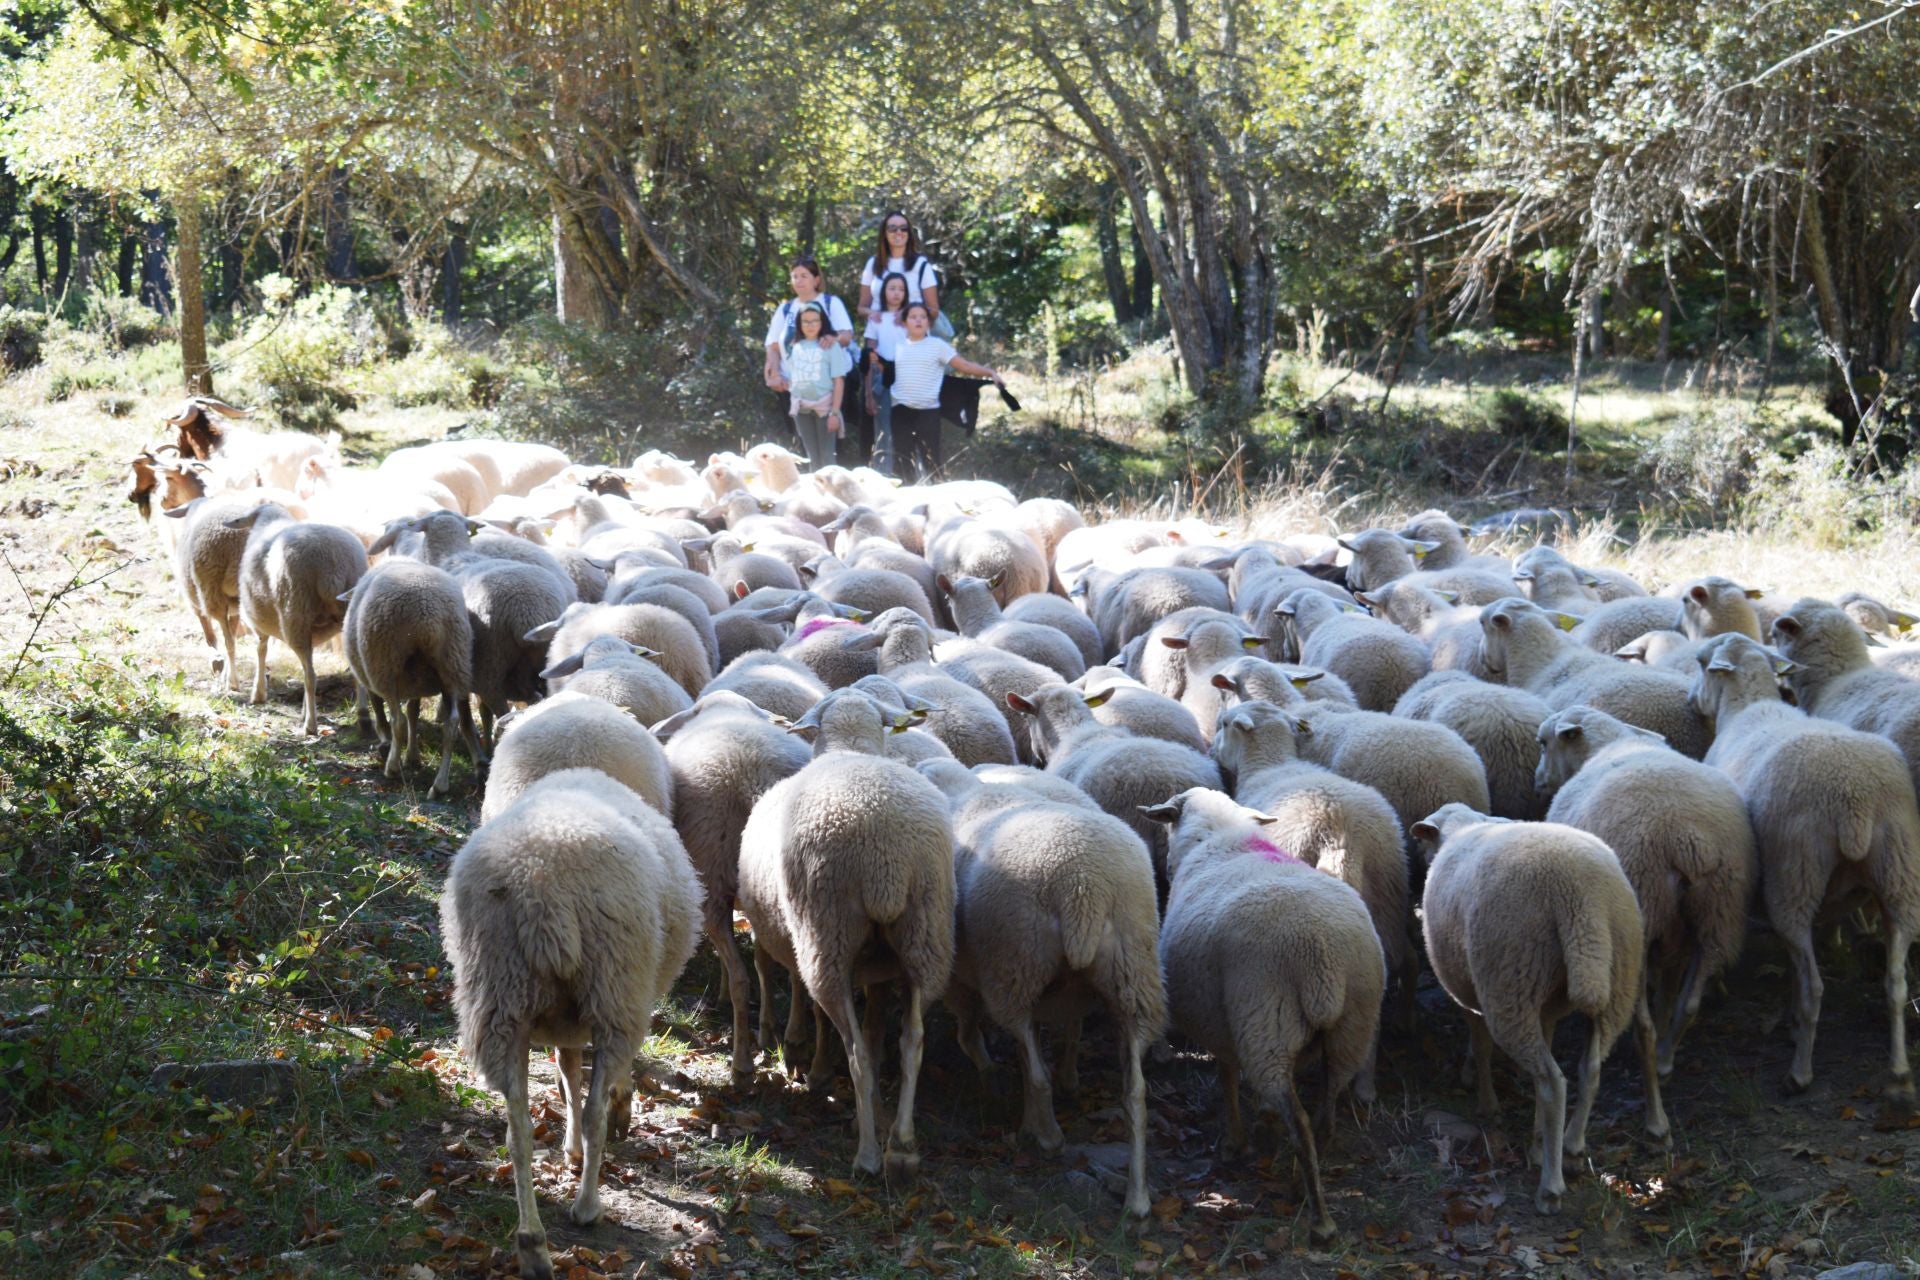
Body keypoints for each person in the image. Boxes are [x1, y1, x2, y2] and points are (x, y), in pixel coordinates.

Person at [889, 301, 1001, 481]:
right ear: (904, 322)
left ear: (929, 323)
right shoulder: (896, 346)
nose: (918, 321)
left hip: (928, 411)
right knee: (902, 463)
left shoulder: (937, 346)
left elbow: (963, 365)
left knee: (932, 463)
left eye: (923, 317)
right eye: (913, 317)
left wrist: (989, 373)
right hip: (901, 411)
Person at [764, 257, 853, 395]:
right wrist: (775, 375)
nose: (798, 280)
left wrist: (834, 338)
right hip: (792, 387)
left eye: (804, 276)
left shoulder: (831, 303)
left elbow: (847, 337)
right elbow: (772, 346)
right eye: (795, 277)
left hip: (831, 386)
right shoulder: (785, 309)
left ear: (816, 280)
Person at [783, 301, 852, 470]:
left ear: (822, 322)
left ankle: (832, 494)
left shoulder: (830, 346)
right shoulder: (794, 346)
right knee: (812, 456)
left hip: (824, 407)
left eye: (815, 321)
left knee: (827, 457)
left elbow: (838, 381)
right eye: (805, 321)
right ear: (799, 323)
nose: (810, 325)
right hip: (801, 408)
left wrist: (835, 413)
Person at [858, 211, 945, 334]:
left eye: (904, 228)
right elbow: (862, 308)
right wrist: (875, 314)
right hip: (879, 338)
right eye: (892, 228)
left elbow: (933, 310)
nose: (899, 232)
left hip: (912, 340)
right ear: (884, 233)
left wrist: (908, 317)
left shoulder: (921, 265)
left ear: (909, 233)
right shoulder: (873, 264)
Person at [861, 271, 911, 476]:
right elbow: (869, 357)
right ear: (883, 292)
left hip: (910, 379)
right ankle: (884, 477)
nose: (896, 293)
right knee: (884, 432)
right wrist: (868, 393)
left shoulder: (913, 317)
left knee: (909, 429)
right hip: (883, 378)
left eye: (901, 289)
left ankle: (913, 474)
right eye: (892, 288)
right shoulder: (876, 319)